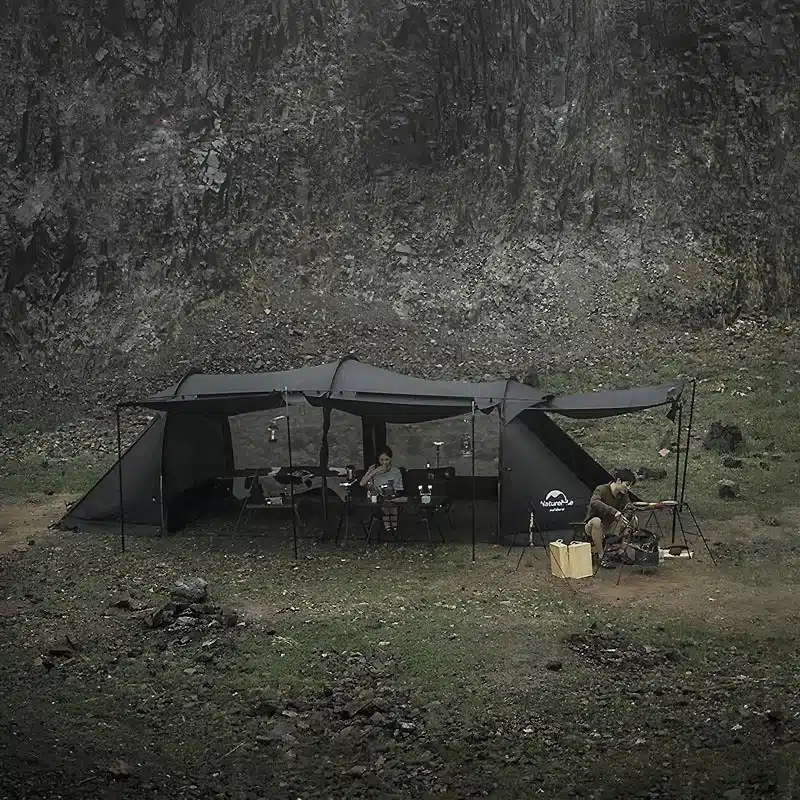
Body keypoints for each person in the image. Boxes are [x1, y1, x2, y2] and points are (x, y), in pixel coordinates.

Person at [583, 469, 637, 568]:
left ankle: (621, 553)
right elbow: (594, 502)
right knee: (596, 521)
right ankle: (601, 556)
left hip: (611, 525)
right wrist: (613, 511)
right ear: (619, 481)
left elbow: (629, 508)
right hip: (592, 526)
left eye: (630, 486)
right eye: (627, 484)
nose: (628, 488)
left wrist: (626, 516)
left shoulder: (624, 495)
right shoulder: (601, 489)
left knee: (632, 519)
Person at [360, 446, 404, 532]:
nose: (384, 462)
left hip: (391, 496)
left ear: (391, 459)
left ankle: (394, 528)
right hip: (376, 497)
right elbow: (362, 483)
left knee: (391, 501)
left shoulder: (395, 472)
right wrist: (375, 471)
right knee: (383, 502)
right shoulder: (373, 468)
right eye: (381, 460)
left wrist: (392, 491)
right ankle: (388, 528)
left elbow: (399, 488)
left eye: (387, 460)